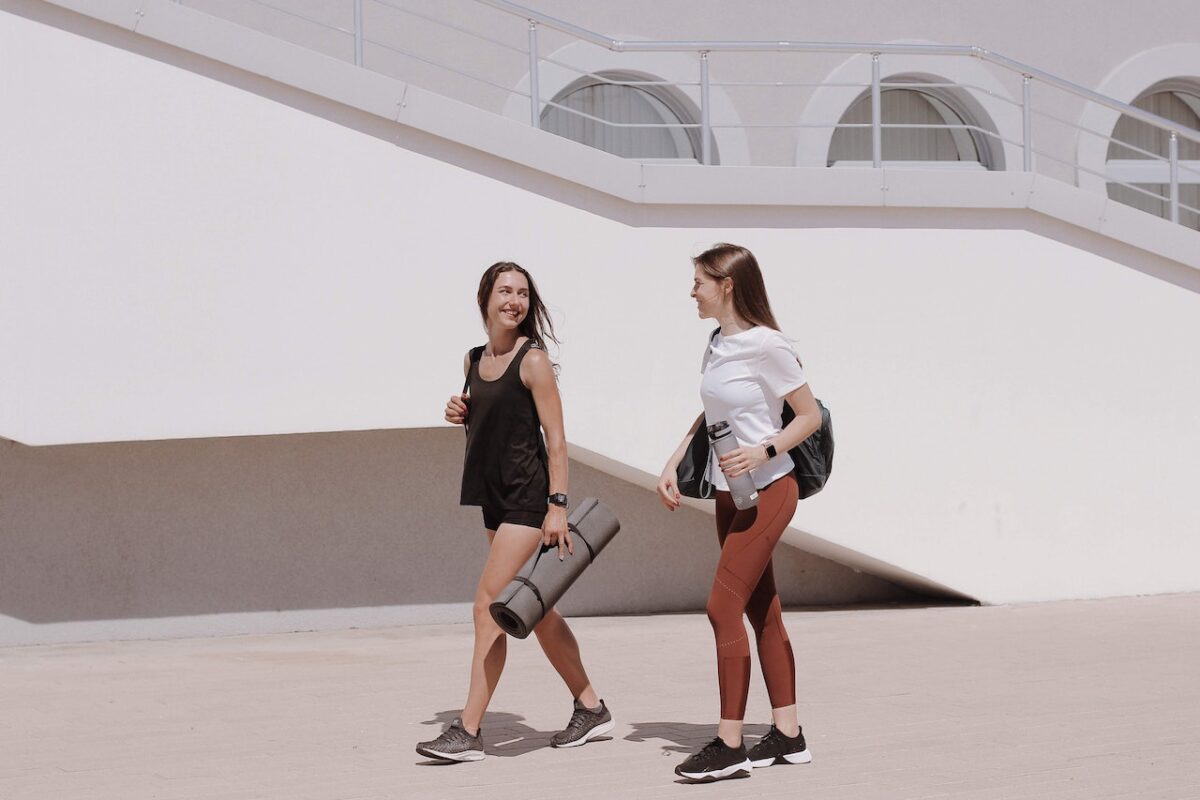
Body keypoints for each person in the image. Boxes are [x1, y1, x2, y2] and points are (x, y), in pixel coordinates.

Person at [416, 261, 612, 763]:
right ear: (485, 299)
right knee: (537, 611)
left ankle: (467, 731)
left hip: (530, 502)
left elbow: (557, 439)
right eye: (505, 291)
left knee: (488, 609)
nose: (514, 300)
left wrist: (558, 507)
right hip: (493, 499)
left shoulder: (533, 360)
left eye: (522, 293)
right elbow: (491, 424)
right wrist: (460, 411)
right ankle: (590, 707)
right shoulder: (473, 358)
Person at [656, 244, 823, 782]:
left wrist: (766, 449)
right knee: (760, 611)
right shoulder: (716, 343)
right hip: (731, 494)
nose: (692, 292)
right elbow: (714, 411)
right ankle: (789, 735)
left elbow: (809, 416)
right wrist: (678, 454)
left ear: (727, 285)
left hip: (771, 489)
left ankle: (730, 743)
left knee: (720, 607)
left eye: (699, 282)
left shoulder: (767, 346)